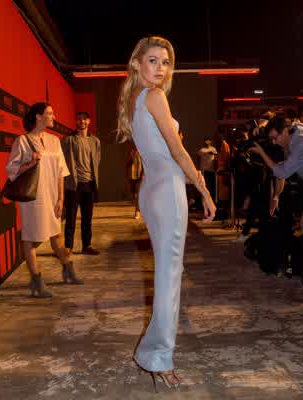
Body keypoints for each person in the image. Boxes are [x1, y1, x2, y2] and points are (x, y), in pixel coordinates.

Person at [116, 36, 216, 390]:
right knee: (169, 277)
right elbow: (176, 149)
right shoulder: (154, 96)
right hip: (167, 191)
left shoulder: (133, 97)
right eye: (153, 60)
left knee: (168, 273)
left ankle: (154, 352)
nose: (161, 68)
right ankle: (158, 356)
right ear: (137, 63)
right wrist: (203, 189)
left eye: (166, 62)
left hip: (152, 189)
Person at [6, 102, 83, 298]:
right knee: (30, 238)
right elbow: (12, 171)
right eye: (49, 113)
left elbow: (61, 172)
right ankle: (36, 281)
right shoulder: (22, 141)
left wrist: (61, 198)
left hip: (52, 195)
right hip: (32, 198)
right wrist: (30, 161)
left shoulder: (54, 141)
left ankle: (68, 270)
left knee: (56, 235)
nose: (53, 117)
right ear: (38, 117)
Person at [250, 118, 303, 273]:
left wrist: (262, 153)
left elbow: (282, 172)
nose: (274, 142)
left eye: (275, 138)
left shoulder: (300, 142)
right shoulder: (297, 130)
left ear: (285, 131)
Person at [62, 111, 101, 256]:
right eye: (79, 119)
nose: (82, 122)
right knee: (70, 218)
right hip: (73, 184)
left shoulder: (95, 141)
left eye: (84, 119)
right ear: (76, 121)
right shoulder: (68, 140)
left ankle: (87, 245)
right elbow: (62, 161)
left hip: (89, 184)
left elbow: (97, 160)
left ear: (89, 121)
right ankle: (68, 247)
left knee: (87, 218)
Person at [127, 145, 143, 219]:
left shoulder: (143, 150)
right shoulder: (131, 151)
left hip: (140, 174)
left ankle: (137, 211)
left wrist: (143, 173)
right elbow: (128, 163)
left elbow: (145, 163)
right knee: (134, 195)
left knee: (138, 194)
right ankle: (139, 209)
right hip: (132, 175)